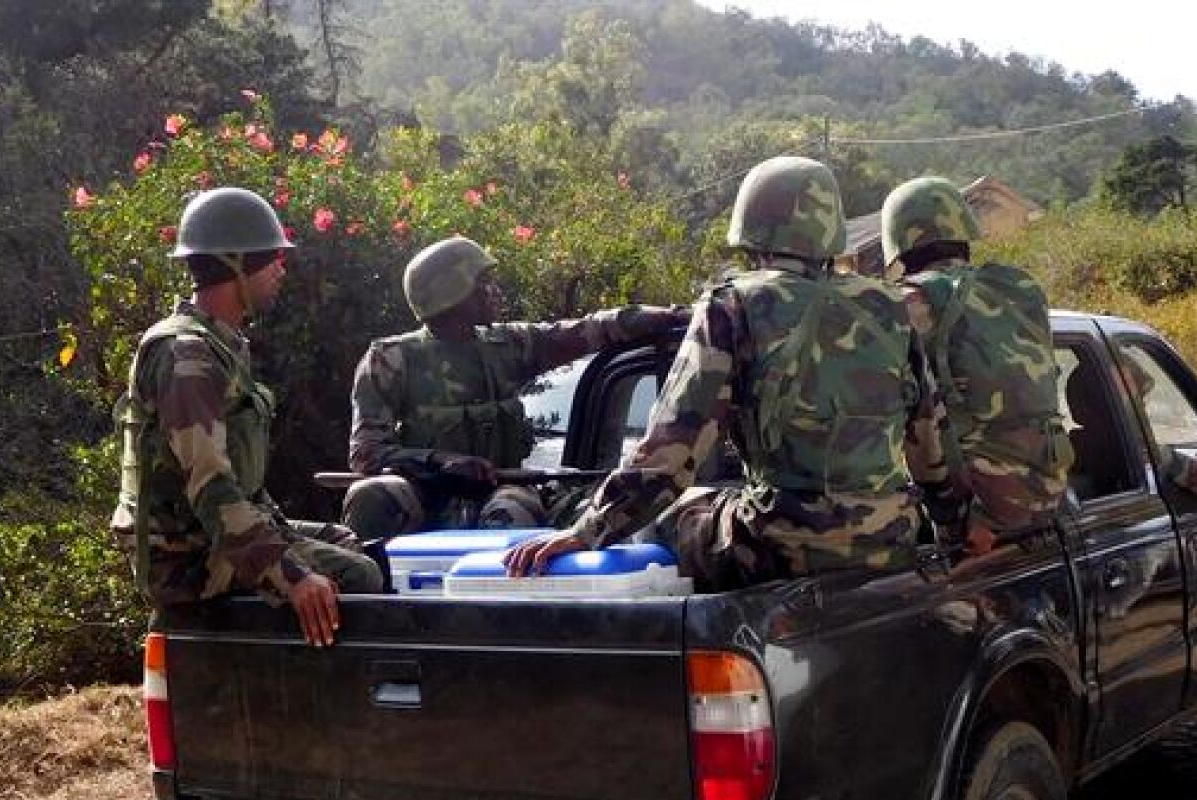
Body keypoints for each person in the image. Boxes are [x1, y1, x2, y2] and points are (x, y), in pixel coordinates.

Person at [505, 156, 954, 591]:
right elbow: (929, 446)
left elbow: (670, 456)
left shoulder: (733, 305)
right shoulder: (890, 307)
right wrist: (951, 530)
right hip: (889, 539)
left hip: (779, 543)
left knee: (673, 514)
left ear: (754, 229)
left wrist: (586, 532)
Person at [111, 187, 382, 648]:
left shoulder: (218, 343)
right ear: (236, 264)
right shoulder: (188, 358)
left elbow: (239, 483)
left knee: (347, 540)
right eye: (271, 257)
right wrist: (292, 577)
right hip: (185, 560)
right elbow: (210, 488)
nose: (281, 268)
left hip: (206, 538)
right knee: (359, 576)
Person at [341, 237, 688, 540]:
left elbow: (585, 331)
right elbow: (366, 454)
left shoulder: (508, 344)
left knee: (511, 509)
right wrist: (438, 462)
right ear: (453, 292)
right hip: (424, 491)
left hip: (502, 488)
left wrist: (667, 318)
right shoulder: (391, 360)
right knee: (370, 495)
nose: (494, 292)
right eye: (483, 284)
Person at [880, 175, 1071, 554]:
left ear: (899, 243)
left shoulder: (908, 306)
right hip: (1046, 496)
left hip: (974, 515)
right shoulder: (1021, 289)